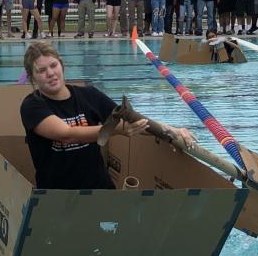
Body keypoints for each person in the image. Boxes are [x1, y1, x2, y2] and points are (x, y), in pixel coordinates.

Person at [19, 41, 193, 190]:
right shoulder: (32, 106)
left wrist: (171, 130)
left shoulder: (89, 95)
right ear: (32, 78)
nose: (50, 73)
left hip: (99, 192)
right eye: (42, 70)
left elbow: (131, 121)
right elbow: (67, 134)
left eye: (53, 65)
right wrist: (114, 129)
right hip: (56, 197)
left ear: (61, 65)